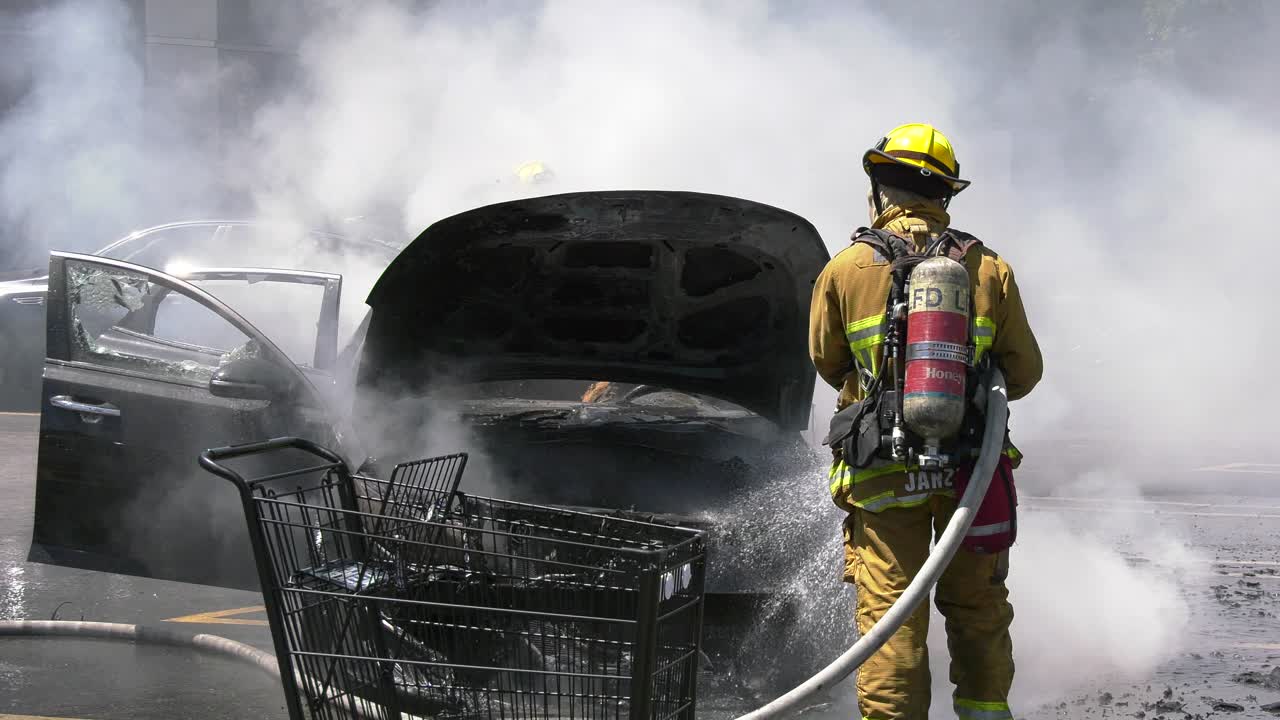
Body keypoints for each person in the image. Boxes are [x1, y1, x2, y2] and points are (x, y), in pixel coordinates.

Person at [808, 123, 1043, 720]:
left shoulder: (844, 270)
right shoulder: (989, 269)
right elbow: (1025, 371)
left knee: (892, 620)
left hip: (883, 475)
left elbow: (829, 363)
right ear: (943, 194)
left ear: (880, 188)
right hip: (972, 472)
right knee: (978, 608)